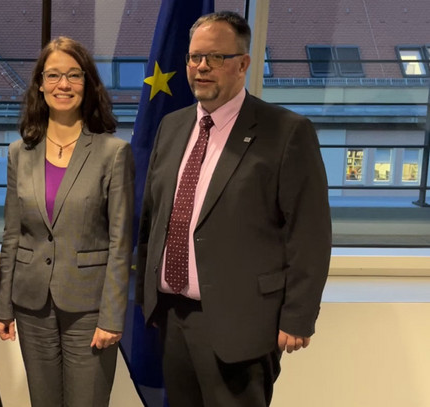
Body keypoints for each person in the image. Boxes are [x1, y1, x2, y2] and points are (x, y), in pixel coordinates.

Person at [136, 11, 331, 407]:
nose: (202, 67)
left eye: (216, 57)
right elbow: (153, 217)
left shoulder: (286, 131)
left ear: (243, 64)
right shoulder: (172, 127)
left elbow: (309, 234)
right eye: (194, 58)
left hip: (241, 321)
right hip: (172, 316)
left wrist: (298, 316)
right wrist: (146, 296)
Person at [0, 36, 134, 407]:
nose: (63, 85)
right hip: (30, 303)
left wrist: (112, 316)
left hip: (89, 308)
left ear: (87, 84)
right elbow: (12, 234)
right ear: (40, 84)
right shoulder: (18, 152)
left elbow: (121, 242)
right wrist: (3, 305)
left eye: (74, 75)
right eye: (53, 75)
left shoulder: (113, 153)